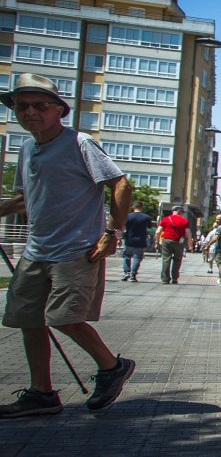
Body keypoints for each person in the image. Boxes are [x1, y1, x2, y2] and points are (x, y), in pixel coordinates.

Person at [0, 73, 136, 417]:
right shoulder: (28, 148)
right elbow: (24, 198)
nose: (30, 112)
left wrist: (112, 233)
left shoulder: (80, 143)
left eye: (39, 105)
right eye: (22, 106)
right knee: (28, 320)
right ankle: (41, 393)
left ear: (58, 110)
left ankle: (111, 367)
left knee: (63, 318)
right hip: (36, 250)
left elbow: (120, 184)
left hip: (75, 251)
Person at [156, 205, 192, 284]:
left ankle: (165, 279)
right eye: (182, 212)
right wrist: (190, 244)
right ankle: (175, 278)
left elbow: (158, 231)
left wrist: (158, 241)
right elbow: (188, 233)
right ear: (179, 211)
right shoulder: (184, 221)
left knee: (166, 259)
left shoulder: (165, 219)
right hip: (179, 242)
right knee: (177, 260)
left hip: (167, 241)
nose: (182, 214)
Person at [122, 201, 152, 282]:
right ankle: (133, 275)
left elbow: (123, 227)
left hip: (129, 239)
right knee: (137, 257)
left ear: (133, 207)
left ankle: (126, 272)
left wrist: (119, 239)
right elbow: (149, 228)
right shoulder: (146, 217)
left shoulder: (127, 216)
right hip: (141, 240)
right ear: (141, 207)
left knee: (126, 256)